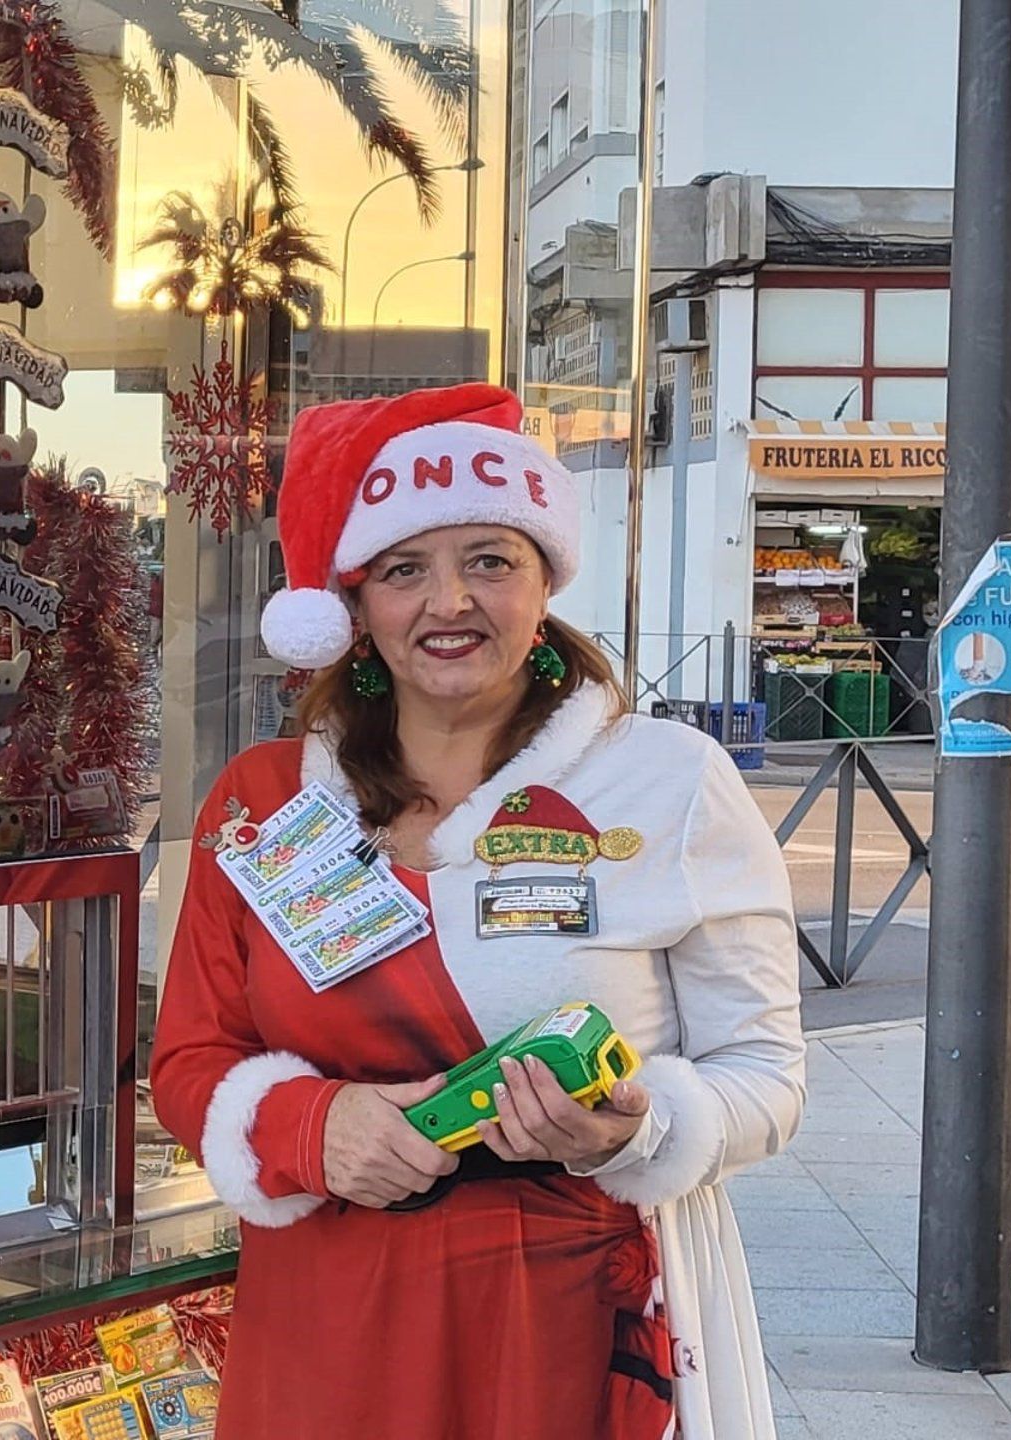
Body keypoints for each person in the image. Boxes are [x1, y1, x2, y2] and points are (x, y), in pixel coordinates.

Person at [151, 384, 804, 1440]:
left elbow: (767, 1078)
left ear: (545, 580)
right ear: (355, 607)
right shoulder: (265, 803)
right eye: (404, 569)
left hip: (567, 1318)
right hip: (326, 1321)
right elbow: (189, 1060)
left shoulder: (671, 781)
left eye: (490, 561)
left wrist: (637, 1130)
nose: (448, 602)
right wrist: (312, 1127)